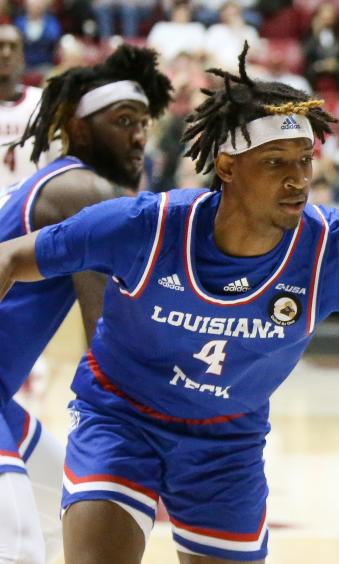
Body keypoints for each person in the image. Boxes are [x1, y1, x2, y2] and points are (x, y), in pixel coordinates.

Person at [0, 44, 339, 564]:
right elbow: (10, 259)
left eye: (304, 162)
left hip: (227, 441)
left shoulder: (330, 244)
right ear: (226, 166)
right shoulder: (143, 224)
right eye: (276, 163)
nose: (297, 179)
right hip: (122, 418)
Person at [0, 45, 173, 564]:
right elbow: (107, 331)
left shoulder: (68, 185)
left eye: (144, 122)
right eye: (123, 121)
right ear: (77, 130)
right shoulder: (82, 192)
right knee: (19, 547)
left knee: (57, 516)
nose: (139, 136)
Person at [0, 24, 49, 189]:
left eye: (13, 47)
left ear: (22, 56)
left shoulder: (42, 102)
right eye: (0, 46)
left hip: (32, 206)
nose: (6, 53)